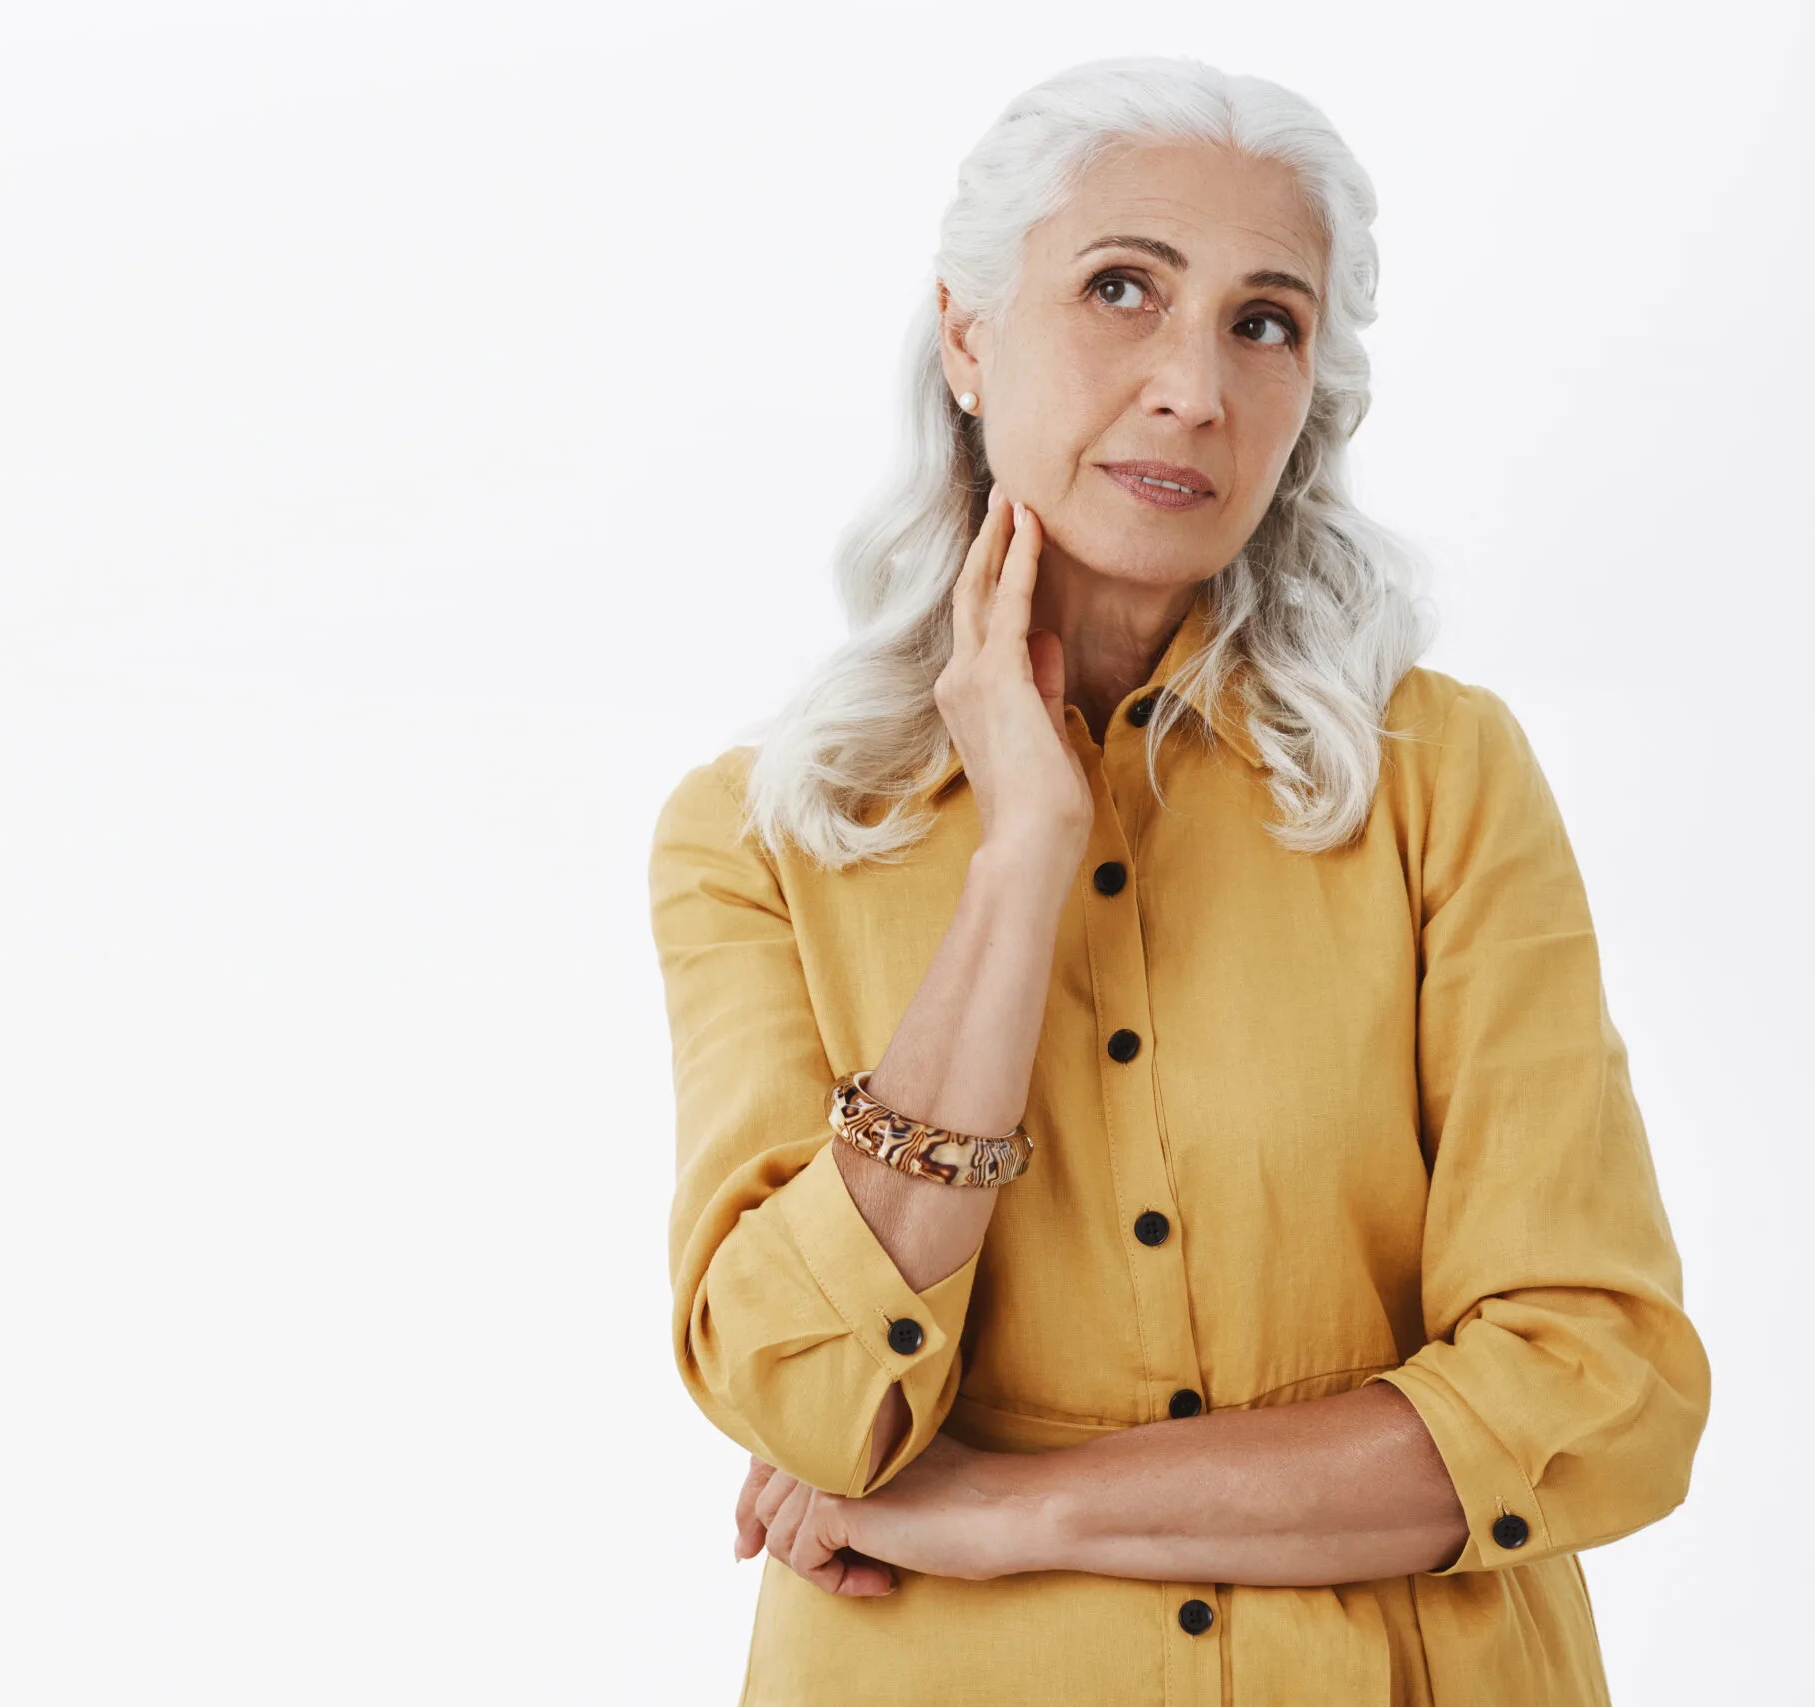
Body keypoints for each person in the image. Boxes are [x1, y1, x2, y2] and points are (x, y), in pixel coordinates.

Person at [643, 55, 1709, 1706]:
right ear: (968, 337)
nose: (1194, 388)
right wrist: (1020, 856)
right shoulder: (759, 837)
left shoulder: (1440, 776)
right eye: (1122, 289)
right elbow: (810, 1400)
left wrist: (1019, 1508)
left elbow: (1598, 1386)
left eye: (1263, 322)